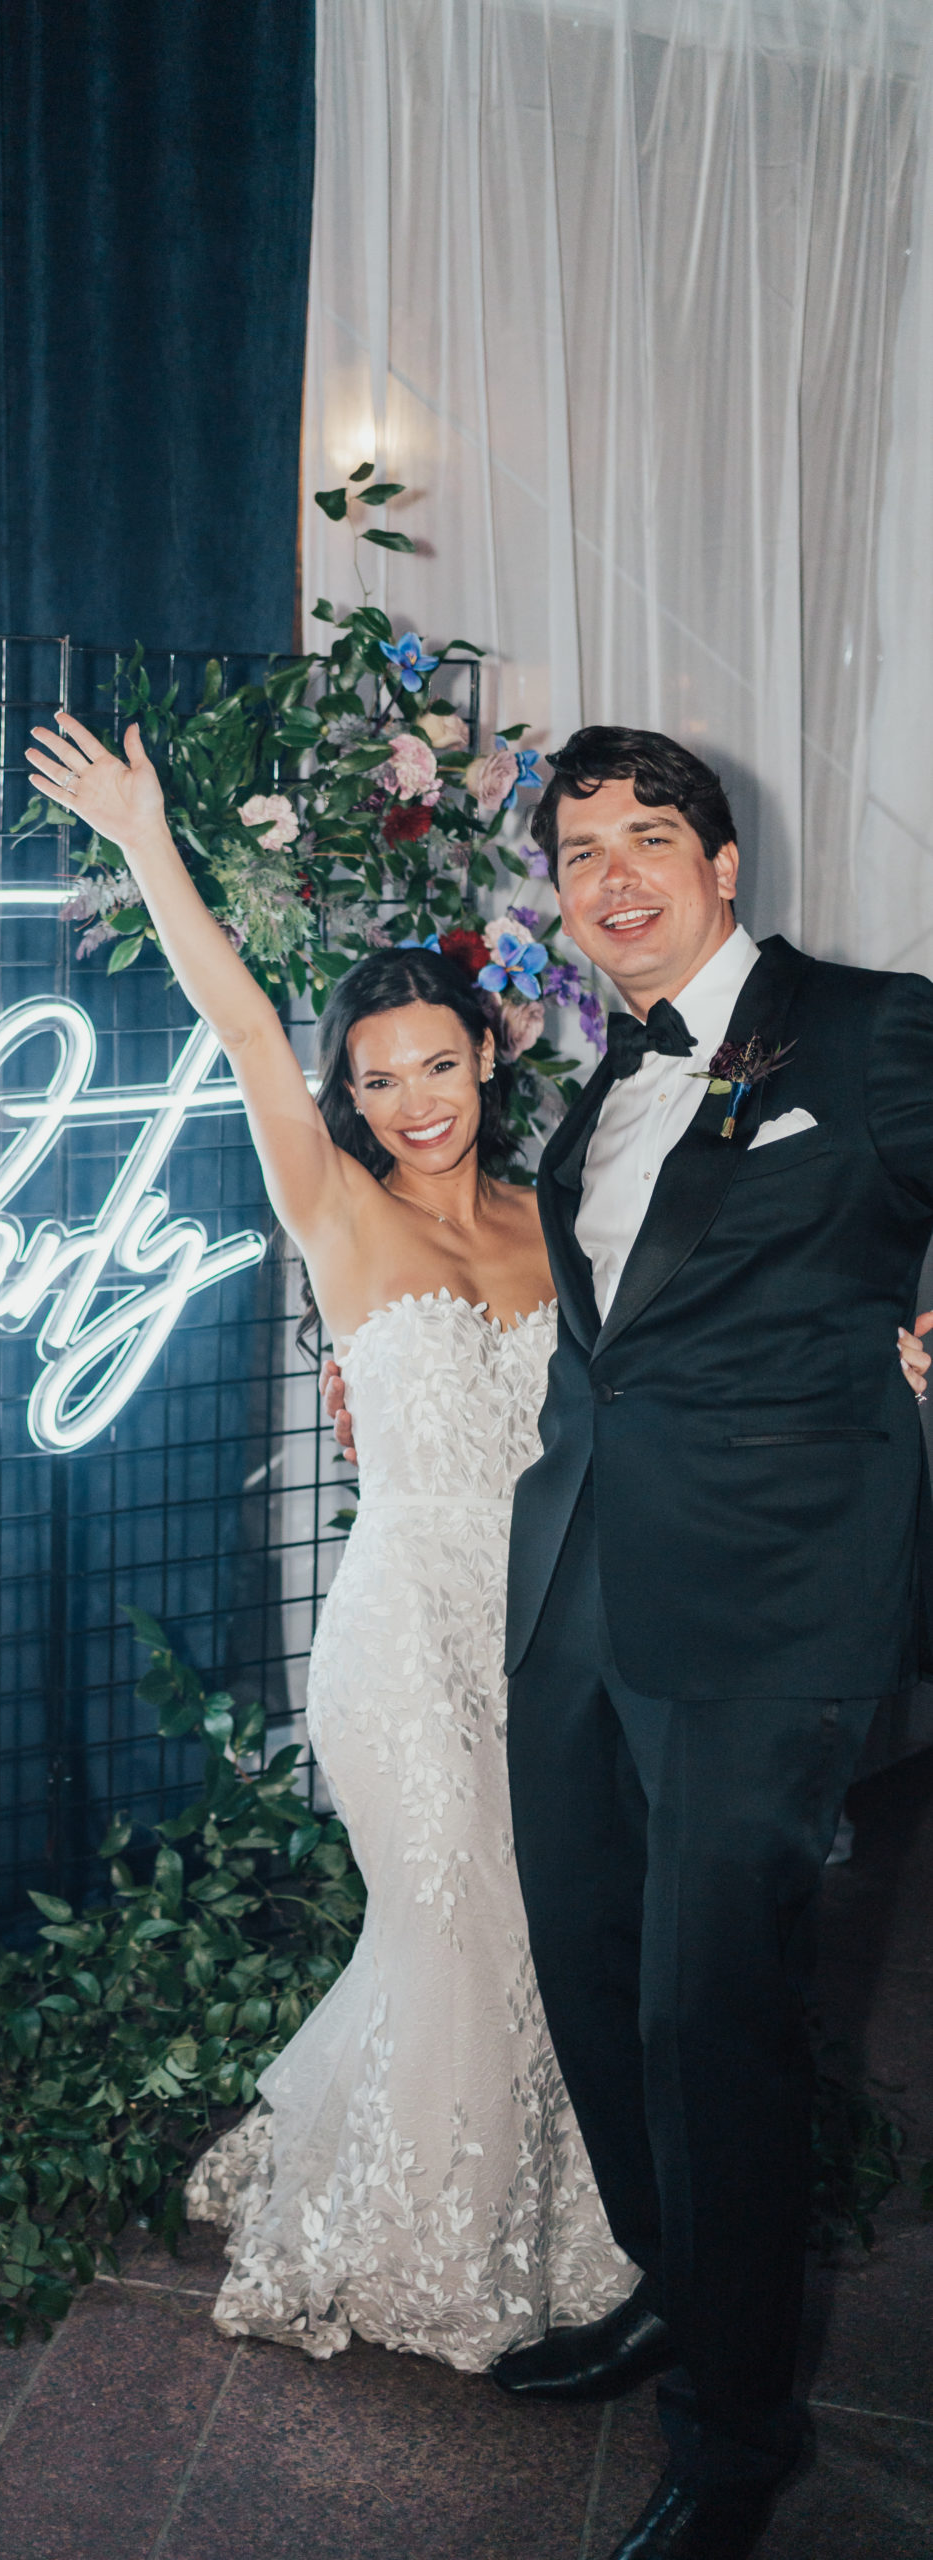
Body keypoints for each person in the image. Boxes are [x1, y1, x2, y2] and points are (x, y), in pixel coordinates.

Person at [25, 707, 636, 2372]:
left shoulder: (551, 1220)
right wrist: (148, 841)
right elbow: (238, 1021)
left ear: (490, 1056)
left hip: (539, 1631)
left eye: (437, 1065)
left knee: (535, 1926)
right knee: (450, 1912)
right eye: (378, 1078)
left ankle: (555, 2216)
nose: (413, 1101)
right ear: (350, 1094)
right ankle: (415, 2248)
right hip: (398, 1632)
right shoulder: (335, 1204)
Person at [472, 727, 933, 2560]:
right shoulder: (606, 1079)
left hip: (772, 1602)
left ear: (724, 867)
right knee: (593, 1974)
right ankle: (682, 2281)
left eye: (650, 838)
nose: (614, 877)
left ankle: (735, 2443)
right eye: (580, 852)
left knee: (708, 2011)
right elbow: (615, 1333)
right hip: (579, 1587)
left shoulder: (872, 1029)